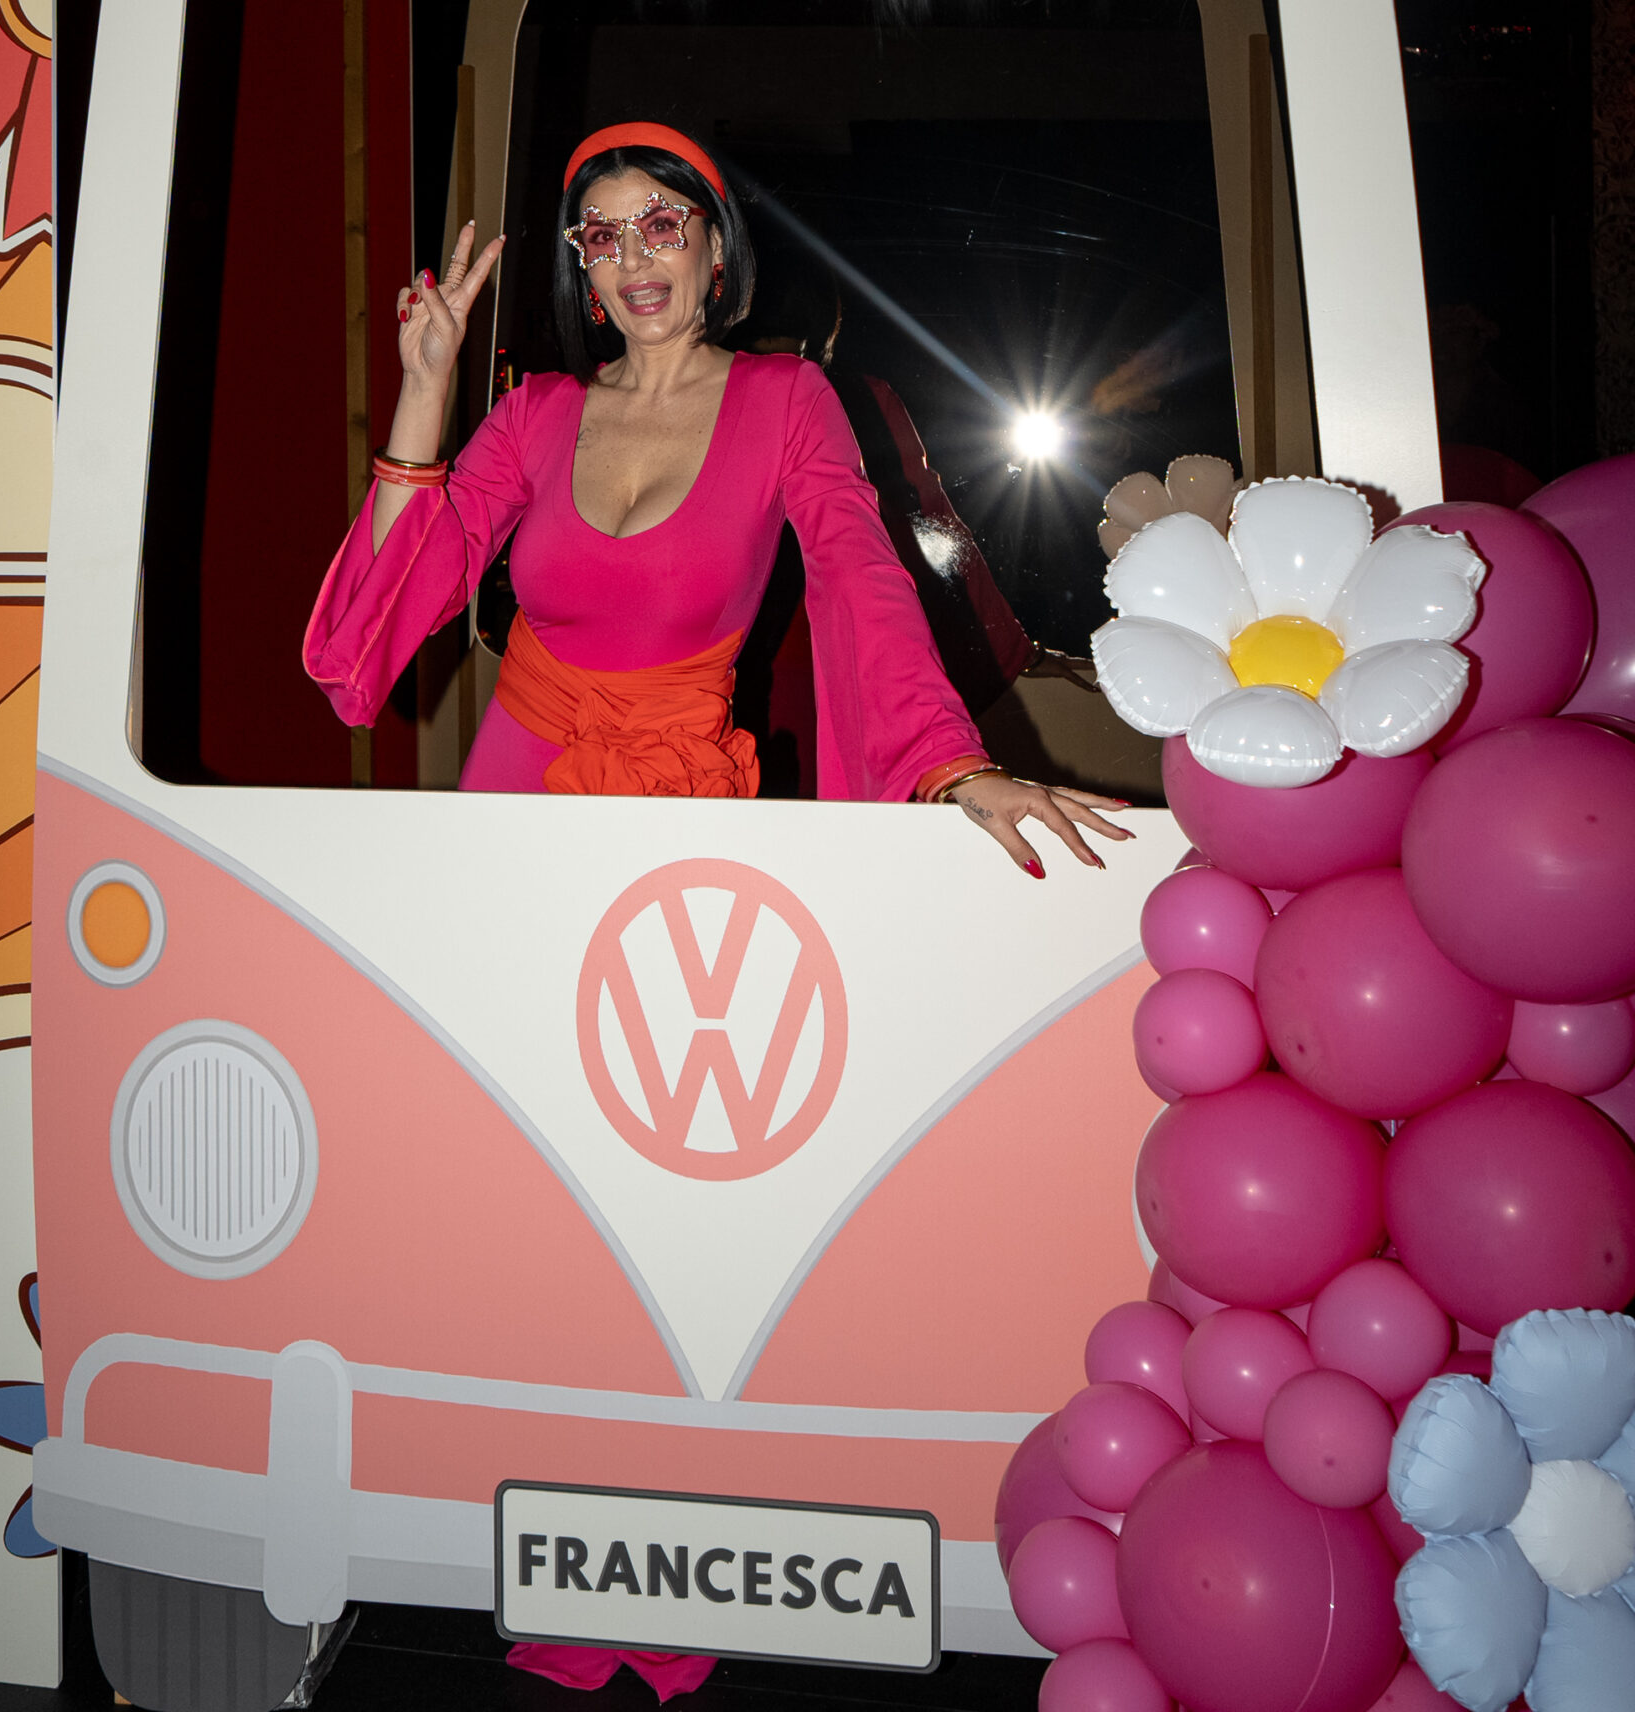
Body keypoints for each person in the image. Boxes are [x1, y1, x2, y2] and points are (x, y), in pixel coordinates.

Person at [303, 121, 1131, 1697]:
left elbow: (862, 575)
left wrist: (949, 767)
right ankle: (531, 1530)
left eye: (660, 225)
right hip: (515, 828)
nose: (633, 261)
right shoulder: (538, 416)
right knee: (525, 1201)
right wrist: (424, 388)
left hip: (680, 840)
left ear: (713, 244)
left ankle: (667, 1553)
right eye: (600, 236)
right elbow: (369, 643)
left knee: (669, 1203)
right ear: (578, 267)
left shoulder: (784, 402)